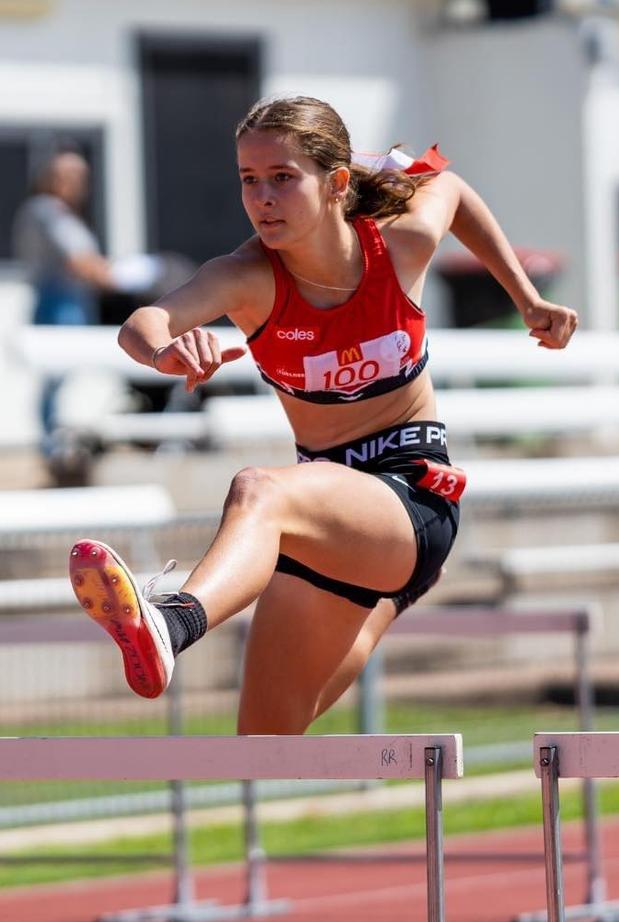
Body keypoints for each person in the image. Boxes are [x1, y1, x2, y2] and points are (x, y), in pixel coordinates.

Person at [69, 95, 577, 735]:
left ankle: (171, 622)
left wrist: (527, 299)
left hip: (410, 495)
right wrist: (167, 350)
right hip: (326, 522)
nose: (263, 199)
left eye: (282, 177)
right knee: (264, 738)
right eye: (249, 181)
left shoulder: (401, 245)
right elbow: (141, 325)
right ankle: (370, 608)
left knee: (259, 489)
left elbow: (449, 186)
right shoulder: (244, 278)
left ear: (336, 183)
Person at [12, 150, 116, 448]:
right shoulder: (48, 210)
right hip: (59, 302)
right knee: (56, 372)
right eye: (68, 176)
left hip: (68, 299)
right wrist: (113, 277)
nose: (76, 184)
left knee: (65, 375)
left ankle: (60, 442)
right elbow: (79, 260)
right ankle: (53, 446)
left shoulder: (60, 213)